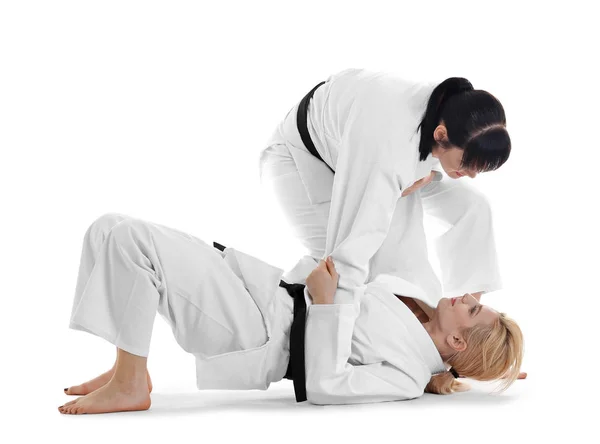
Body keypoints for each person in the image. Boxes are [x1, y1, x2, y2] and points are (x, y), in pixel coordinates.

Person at [58, 213, 523, 414]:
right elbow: (396, 234)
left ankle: (132, 383)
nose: (466, 297)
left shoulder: (405, 377)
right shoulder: (420, 298)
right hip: (263, 291)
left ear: (458, 343)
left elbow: (326, 387)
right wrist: (500, 364)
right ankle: (126, 364)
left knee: (132, 242)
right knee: (109, 228)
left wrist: (323, 305)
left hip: (257, 333)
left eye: (473, 309)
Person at [259, 68, 510, 309]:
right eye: (468, 164)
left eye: (480, 168)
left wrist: (414, 180)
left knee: (474, 206)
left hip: (379, 151)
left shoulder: (457, 113)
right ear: (441, 135)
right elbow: (351, 253)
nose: (473, 175)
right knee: (353, 268)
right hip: (300, 158)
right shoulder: (388, 146)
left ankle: (466, 320)